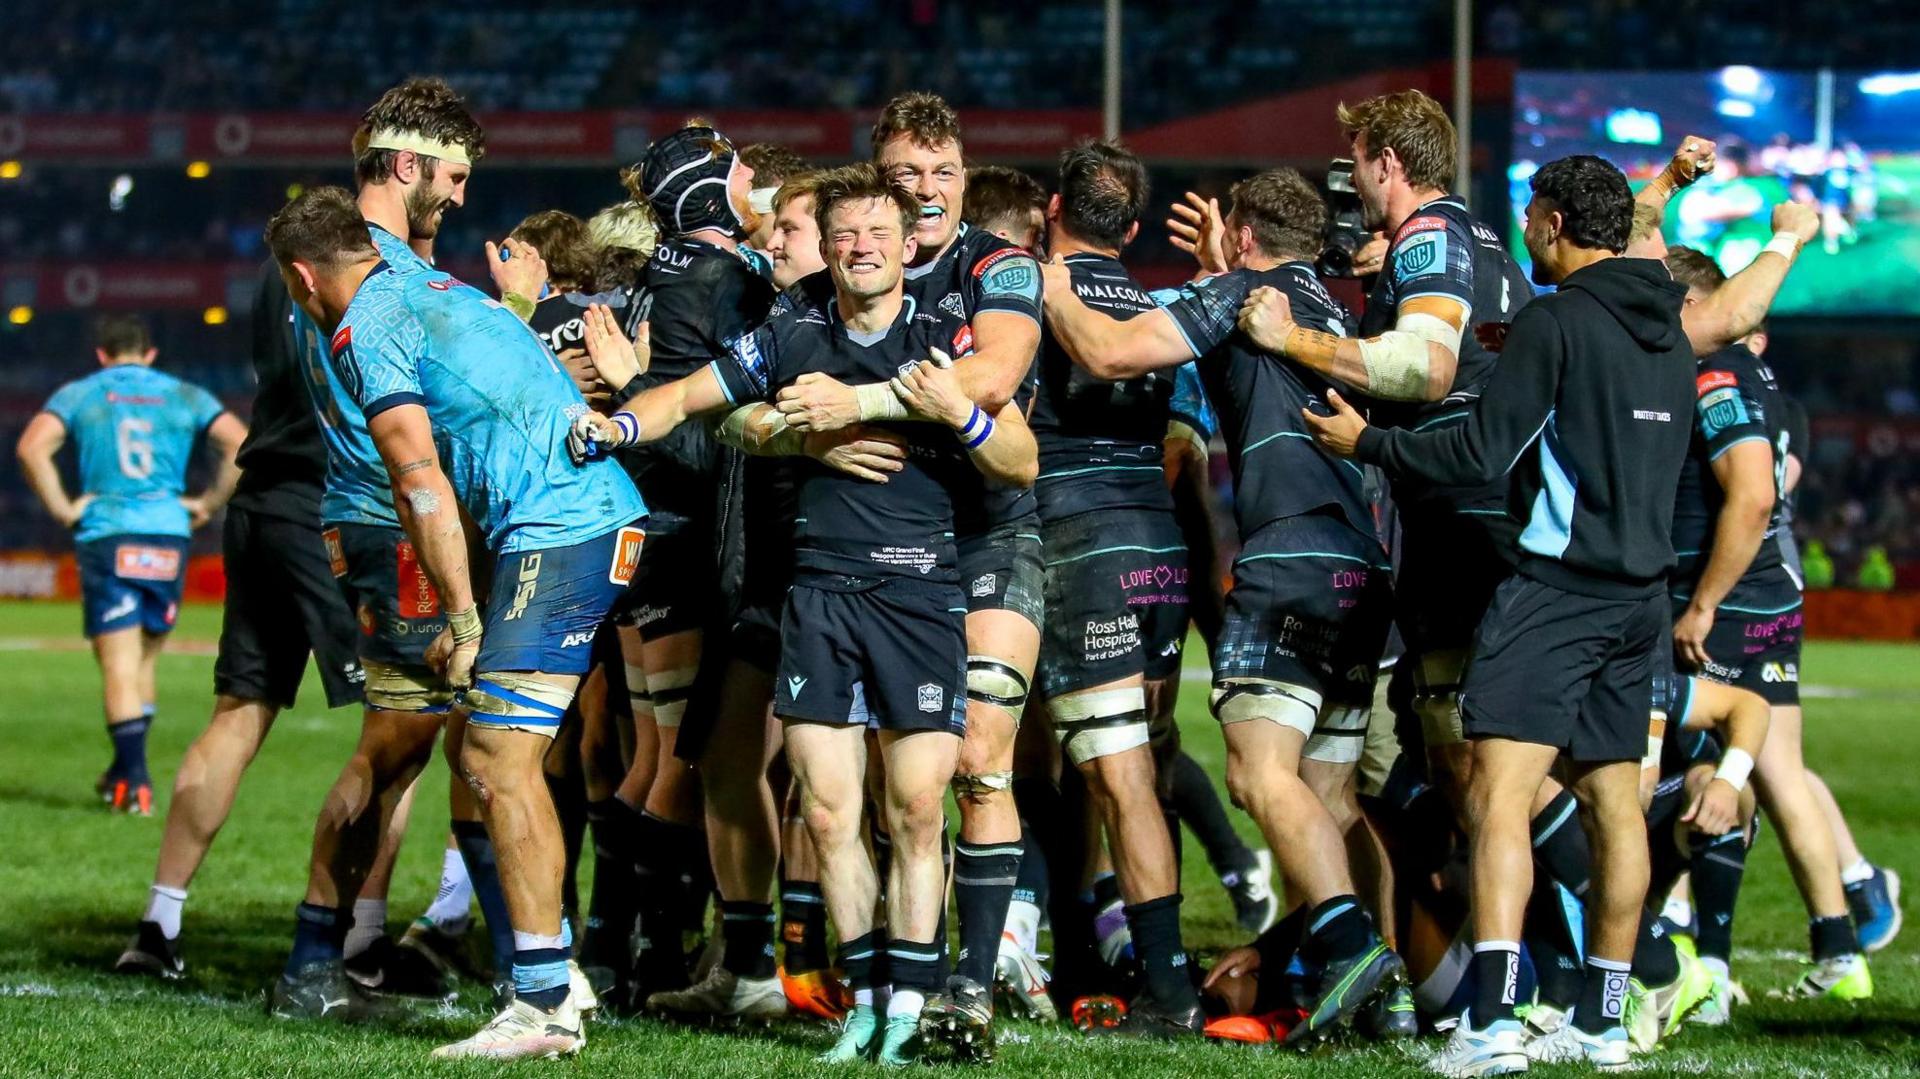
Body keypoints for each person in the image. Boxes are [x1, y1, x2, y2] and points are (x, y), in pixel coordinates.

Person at [570, 163, 1038, 1065]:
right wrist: (623, 423)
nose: (860, 250)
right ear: (826, 246)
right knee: (827, 814)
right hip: (817, 597)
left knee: (914, 809)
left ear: (909, 246)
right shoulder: (793, 327)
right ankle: (864, 1004)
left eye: (877, 235)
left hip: (920, 594)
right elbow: (695, 398)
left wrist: (960, 417)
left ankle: (912, 1004)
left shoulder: (947, 333)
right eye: (845, 236)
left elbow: (1018, 458)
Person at [1304, 153, 1696, 1073]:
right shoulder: (1670, 332)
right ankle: (1604, 1021)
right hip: (1641, 597)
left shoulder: (1555, 320)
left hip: (1556, 590)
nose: (1526, 233)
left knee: (1499, 800)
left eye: (1532, 218)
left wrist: (1374, 442)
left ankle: (1490, 1020)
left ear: (1558, 223)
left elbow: (1481, 453)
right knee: (1613, 807)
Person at [266, 184, 646, 1060]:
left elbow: (420, 480)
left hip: (563, 526)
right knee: (501, 746)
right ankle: (551, 975)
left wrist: (465, 615)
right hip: (578, 515)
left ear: (300, 277)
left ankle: (545, 995)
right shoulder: (413, 280)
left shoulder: (366, 327)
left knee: (493, 754)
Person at [1038, 166, 1407, 1044]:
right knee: (1329, 794)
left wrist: (1050, 285)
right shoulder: (1321, 296)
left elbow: (1111, 352)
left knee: (1255, 774)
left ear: (1243, 240)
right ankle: (1366, 982)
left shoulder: (1245, 291)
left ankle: (1355, 950)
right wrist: (1220, 267)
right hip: (1362, 561)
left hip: (1291, 556)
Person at [771, 93, 1047, 1055]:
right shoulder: (840, 265)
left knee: (973, 761)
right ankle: (883, 979)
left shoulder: (995, 265)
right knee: (846, 796)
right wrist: (811, 435)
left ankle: (965, 982)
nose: (923, 193)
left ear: (965, 179)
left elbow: (995, 378)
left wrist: (854, 405)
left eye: (941, 174)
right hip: (871, 537)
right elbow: (765, 388)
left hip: (989, 524)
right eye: (904, 176)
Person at [1235, 90, 1530, 823]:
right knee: (1463, 753)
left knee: (1468, 759)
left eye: (1360, 163)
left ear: (1389, 162)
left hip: (1463, 511)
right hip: (1493, 505)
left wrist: (1290, 339)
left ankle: (1544, 934)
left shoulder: (1428, 235)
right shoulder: (1480, 238)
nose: (1353, 181)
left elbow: (1426, 365)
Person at [1663, 246, 1873, 1002]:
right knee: (1776, 770)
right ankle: (1840, 945)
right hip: (1774, 594)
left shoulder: (1714, 372)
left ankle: (1702, 957)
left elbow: (1751, 499)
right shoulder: (1773, 387)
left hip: (1730, 597)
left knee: (1697, 768)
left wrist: (1704, 599)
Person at [16, 314, 245, 816]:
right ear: (150, 353)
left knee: (117, 663)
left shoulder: (81, 393)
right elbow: (238, 442)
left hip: (110, 529)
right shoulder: (184, 394)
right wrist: (208, 501)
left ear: (101, 354)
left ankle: (135, 783)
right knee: (143, 661)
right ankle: (122, 771)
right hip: (168, 534)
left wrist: (61, 506)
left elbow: (32, 447)